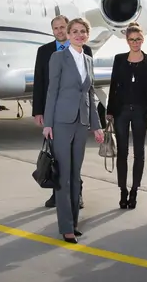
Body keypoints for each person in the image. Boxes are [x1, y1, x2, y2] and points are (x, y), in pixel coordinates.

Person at [43, 17, 105, 243]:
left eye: (83, 31)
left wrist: (97, 126)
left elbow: (89, 93)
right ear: (67, 35)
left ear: (87, 35)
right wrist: (48, 123)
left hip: (81, 124)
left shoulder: (88, 59)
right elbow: (52, 91)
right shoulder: (58, 57)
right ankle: (66, 227)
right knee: (63, 177)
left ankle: (74, 223)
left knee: (75, 176)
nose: (79, 35)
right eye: (75, 31)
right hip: (60, 122)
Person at [33, 14, 98, 209]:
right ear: (52, 31)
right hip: (55, 113)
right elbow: (41, 83)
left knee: (75, 158)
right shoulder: (45, 52)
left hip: (77, 115)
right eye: (56, 28)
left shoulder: (85, 51)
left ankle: (76, 194)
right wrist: (39, 111)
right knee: (56, 157)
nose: (60, 31)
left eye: (63, 27)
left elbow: (88, 86)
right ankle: (57, 192)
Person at [105, 21, 147, 209]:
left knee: (139, 152)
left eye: (138, 39)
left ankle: (134, 190)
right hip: (121, 112)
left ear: (143, 39)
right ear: (126, 40)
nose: (135, 42)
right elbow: (113, 86)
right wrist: (110, 111)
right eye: (131, 39)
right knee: (122, 152)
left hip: (141, 112)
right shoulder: (119, 59)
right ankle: (123, 191)